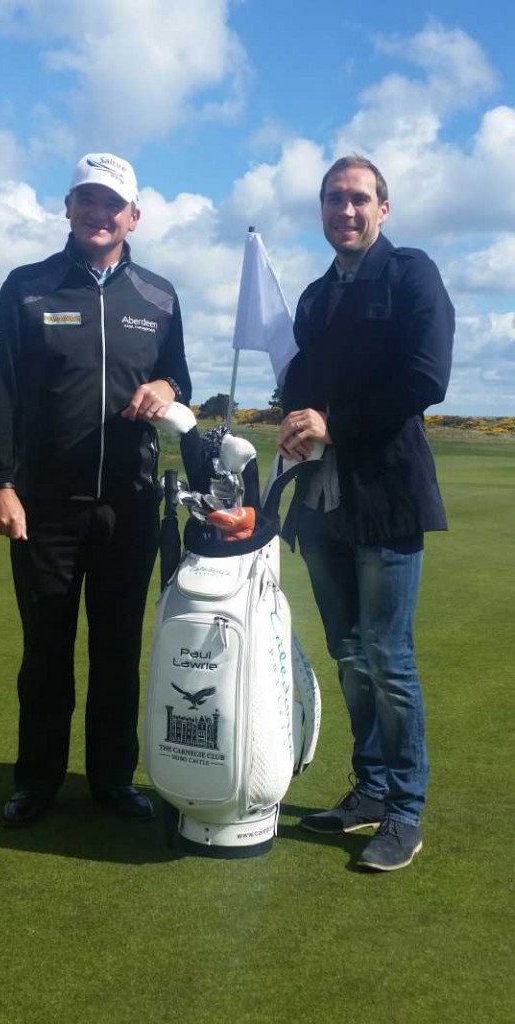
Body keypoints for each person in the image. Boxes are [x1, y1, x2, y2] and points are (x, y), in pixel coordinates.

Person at [0, 152, 192, 827]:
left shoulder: (158, 296)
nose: (100, 214)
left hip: (128, 508)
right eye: (87, 201)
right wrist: (0, 483)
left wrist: (165, 388)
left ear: (135, 216)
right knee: (45, 652)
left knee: (118, 650)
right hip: (44, 509)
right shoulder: (28, 287)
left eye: (113, 204)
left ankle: (111, 779)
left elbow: (177, 376)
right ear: (68, 208)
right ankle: (36, 781)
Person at [278, 155, 454, 871]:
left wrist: (333, 423)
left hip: (386, 498)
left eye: (357, 199)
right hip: (322, 505)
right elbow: (303, 385)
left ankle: (405, 810)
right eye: (332, 200)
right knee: (350, 656)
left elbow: (426, 377)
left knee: (387, 656)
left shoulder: (412, 274)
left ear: (384, 208)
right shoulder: (316, 297)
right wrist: (291, 413)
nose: (343, 211)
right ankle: (372, 787)